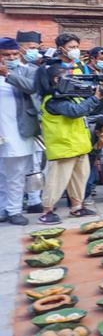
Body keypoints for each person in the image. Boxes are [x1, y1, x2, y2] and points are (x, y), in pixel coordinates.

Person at [37, 63, 103, 223]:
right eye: (67, 76)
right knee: (57, 181)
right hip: (63, 147)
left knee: (79, 179)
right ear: (56, 79)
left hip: (78, 145)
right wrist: (96, 98)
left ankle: (76, 207)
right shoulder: (52, 101)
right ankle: (47, 211)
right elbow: (75, 111)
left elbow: (84, 107)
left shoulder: (69, 95)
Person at [0, 38, 42, 225]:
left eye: (14, 54)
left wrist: (8, 73)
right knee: (1, 174)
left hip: (18, 131)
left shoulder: (28, 71)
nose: (11, 57)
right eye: (6, 55)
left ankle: (15, 210)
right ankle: (2, 210)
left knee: (16, 174)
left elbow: (31, 88)